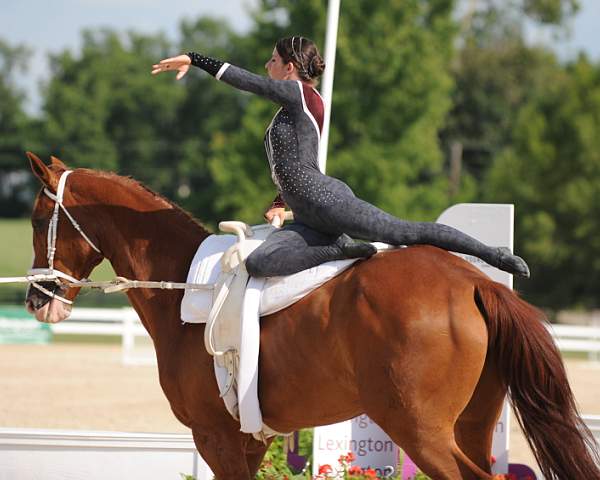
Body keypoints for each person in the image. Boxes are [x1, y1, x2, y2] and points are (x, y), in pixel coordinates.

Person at [152, 36, 530, 278]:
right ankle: (339, 248)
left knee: (404, 232)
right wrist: (281, 203)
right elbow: (295, 162)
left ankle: (493, 254)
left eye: (272, 61)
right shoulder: (288, 110)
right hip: (308, 217)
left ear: (290, 68)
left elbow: (248, 83)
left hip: (327, 200)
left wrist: (197, 58)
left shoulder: (300, 94)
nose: (266, 67)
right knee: (259, 264)